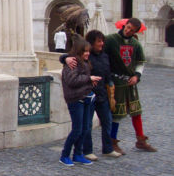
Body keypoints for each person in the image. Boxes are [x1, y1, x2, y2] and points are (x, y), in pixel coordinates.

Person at [61, 30, 122, 161]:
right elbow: (71, 67)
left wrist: (111, 87)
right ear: (91, 43)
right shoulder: (81, 59)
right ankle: (85, 151)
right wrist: (64, 58)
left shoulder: (104, 56)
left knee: (107, 122)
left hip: (102, 94)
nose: (102, 43)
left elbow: (108, 73)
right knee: (85, 126)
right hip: (87, 95)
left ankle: (108, 148)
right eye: (99, 41)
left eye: (102, 41)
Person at [104, 18, 156, 154]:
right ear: (124, 25)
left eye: (132, 30)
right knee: (117, 113)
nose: (128, 31)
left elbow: (140, 62)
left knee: (136, 111)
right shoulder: (110, 40)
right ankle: (112, 141)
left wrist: (137, 76)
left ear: (135, 32)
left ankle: (141, 140)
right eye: (127, 27)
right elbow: (101, 56)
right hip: (116, 83)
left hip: (131, 83)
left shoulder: (136, 44)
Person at [60, 36, 101, 166]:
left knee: (84, 128)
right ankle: (64, 155)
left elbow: (82, 79)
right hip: (75, 99)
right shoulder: (72, 63)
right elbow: (72, 81)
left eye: (88, 51)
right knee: (77, 129)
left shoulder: (84, 62)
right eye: (85, 51)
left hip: (86, 98)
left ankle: (78, 154)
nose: (87, 53)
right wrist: (89, 79)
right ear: (78, 51)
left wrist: (90, 82)